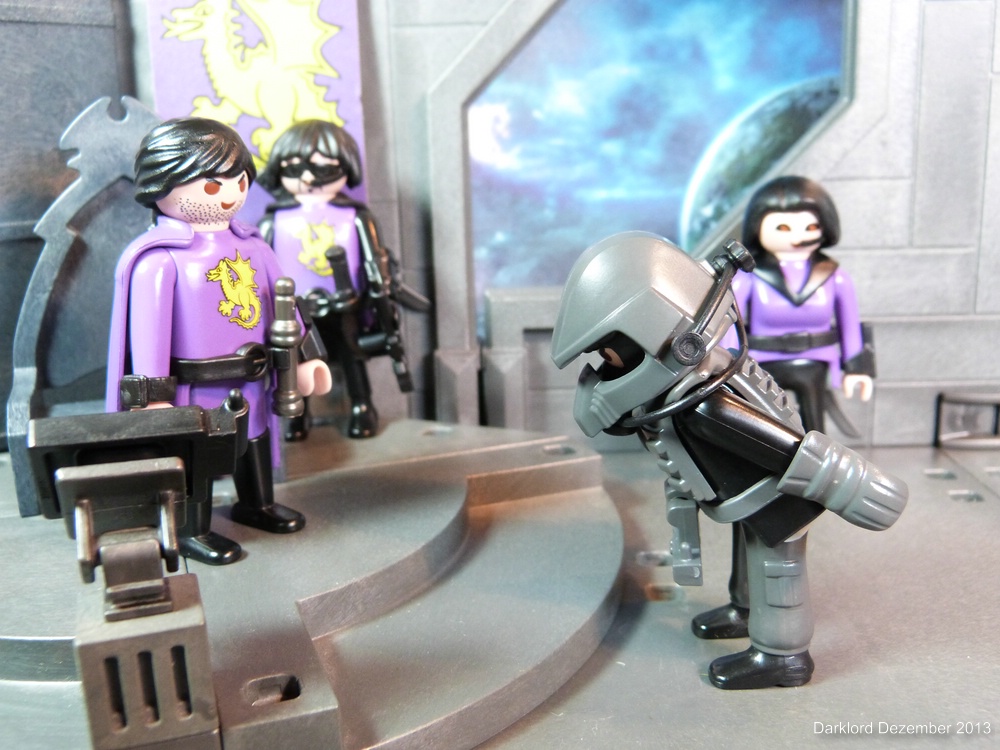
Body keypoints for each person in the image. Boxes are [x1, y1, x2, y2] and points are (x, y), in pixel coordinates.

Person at [551, 231, 907, 689]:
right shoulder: (686, 392)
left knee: (775, 567)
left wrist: (846, 483)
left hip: (778, 497)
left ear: (654, 335)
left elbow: (785, 449)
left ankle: (782, 656)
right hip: (746, 495)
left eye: (609, 351)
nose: (607, 365)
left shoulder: (707, 405)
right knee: (750, 553)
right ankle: (744, 609)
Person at [107, 117, 331, 565]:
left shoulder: (255, 246)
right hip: (194, 388)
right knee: (198, 455)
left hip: (254, 378)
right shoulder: (159, 260)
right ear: (161, 183)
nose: (229, 194)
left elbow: (286, 304)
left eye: (239, 181)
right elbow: (147, 336)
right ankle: (192, 528)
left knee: (255, 442)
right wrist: (152, 397)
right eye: (212, 184)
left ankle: (257, 503)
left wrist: (307, 357)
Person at [258, 120, 428, 440]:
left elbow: (374, 261)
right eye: (294, 168)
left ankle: (363, 405)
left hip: (346, 303)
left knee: (352, 356)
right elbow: (262, 270)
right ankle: (298, 414)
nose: (308, 178)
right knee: (296, 360)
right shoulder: (273, 221)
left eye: (323, 169)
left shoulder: (356, 217)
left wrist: (376, 296)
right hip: (294, 309)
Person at [731, 175, 874, 433]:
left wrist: (857, 367)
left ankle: (817, 453)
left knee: (815, 426)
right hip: (760, 361)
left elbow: (850, 324)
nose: (798, 236)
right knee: (763, 427)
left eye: (810, 227)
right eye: (783, 228)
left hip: (816, 359)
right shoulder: (749, 276)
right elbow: (728, 323)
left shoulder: (835, 277)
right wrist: (726, 366)